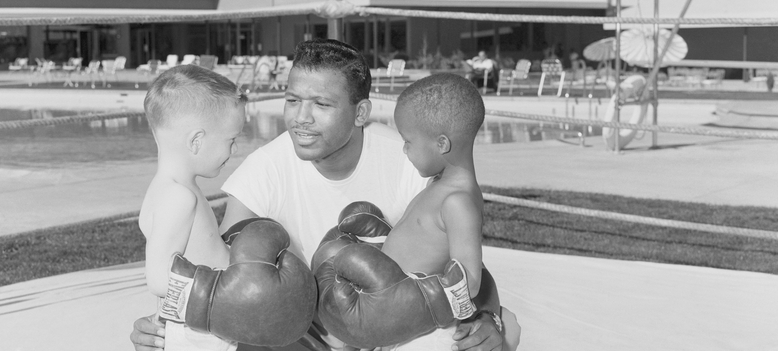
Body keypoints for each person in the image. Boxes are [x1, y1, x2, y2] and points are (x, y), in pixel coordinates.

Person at [132, 38, 516, 351]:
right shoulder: (265, 169)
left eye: (321, 104)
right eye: (293, 100)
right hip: (300, 337)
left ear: (360, 112)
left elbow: (463, 262)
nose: (301, 117)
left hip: (390, 331)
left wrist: (488, 318)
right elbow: (228, 281)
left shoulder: (408, 160)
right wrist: (162, 325)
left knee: (506, 332)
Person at [138, 65, 247, 351]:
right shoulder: (178, 197)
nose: (234, 150)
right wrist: (229, 290)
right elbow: (159, 279)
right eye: (231, 140)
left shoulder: (167, 189)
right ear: (196, 141)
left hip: (203, 327)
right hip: (202, 334)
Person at [380, 73, 488, 350]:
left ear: (442, 144)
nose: (404, 149)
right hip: (397, 321)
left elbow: (470, 282)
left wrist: (414, 299)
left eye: (408, 141)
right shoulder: (437, 185)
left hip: (424, 334)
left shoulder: (457, 202)